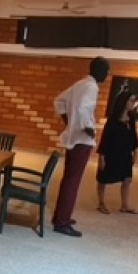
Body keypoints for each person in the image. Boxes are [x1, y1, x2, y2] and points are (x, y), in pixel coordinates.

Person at [51, 56, 110, 237]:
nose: (107, 75)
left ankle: (60, 216)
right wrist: (87, 128)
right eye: (106, 72)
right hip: (82, 141)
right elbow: (83, 109)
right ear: (99, 71)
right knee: (73, 182)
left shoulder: (80, 83)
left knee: (68, 179)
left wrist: (70, 123)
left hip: (73, 139)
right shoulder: (91, 87)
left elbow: (58, 101)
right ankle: (62, 223)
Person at [96, 91, 138, 214]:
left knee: (127, 178)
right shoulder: (113, 119)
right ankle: (101, 203)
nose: (133, 103)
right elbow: (105, 139)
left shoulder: (131, 119)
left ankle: (125, 205)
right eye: (131, 100)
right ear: (124, 102)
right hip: (111, 153)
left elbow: (134, 137)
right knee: (103, 178)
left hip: (125, 153)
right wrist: (101, 157)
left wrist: (135, 152)